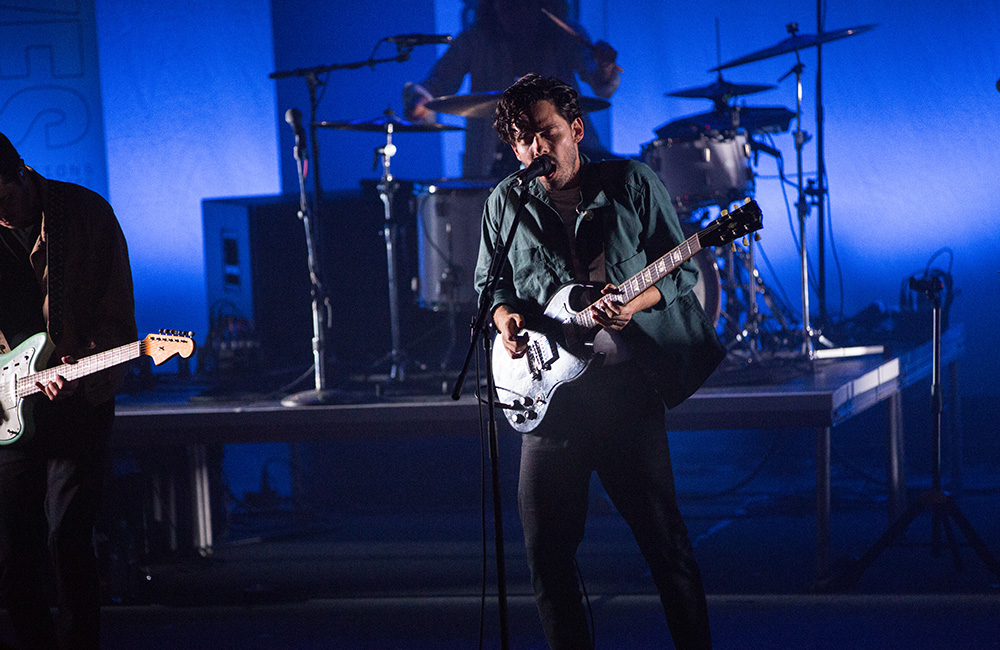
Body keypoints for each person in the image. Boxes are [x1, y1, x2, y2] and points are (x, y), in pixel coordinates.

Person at [474, 75, 725, 650]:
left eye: (548, 133)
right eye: (524, 139)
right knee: (547, 562)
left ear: (576, 131)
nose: (538, 148)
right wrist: (505, 320)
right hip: (546, 403)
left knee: (668, 548)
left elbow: (682, 270)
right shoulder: (503, 204)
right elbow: (491, 288)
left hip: (622, 399)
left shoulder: (630, 183)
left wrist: (629, 305)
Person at [0, 132, 136, 650]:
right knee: (15, 552)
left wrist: (84, 361)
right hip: (9, 408)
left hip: (79, 401)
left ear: (22, 173)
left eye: (5, 199)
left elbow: (117, 309)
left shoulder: (84, 213)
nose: (2, 214)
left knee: (69, 540)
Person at [403, 0, 620, 179]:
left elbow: (599, 82)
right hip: (489, 161)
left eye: (525, 5)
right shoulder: (474, 38)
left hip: (564, 155)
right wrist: (421, 100)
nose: (517, 12)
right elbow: (439, 81)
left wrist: (605, 67)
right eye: (507, 6)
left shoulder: (566, 35)